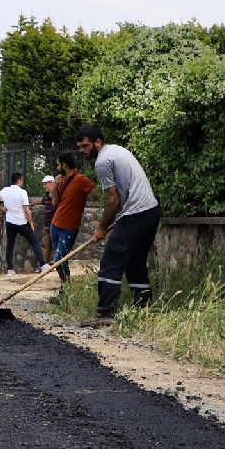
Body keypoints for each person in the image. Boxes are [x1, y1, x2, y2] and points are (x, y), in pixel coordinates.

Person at [77, 125, 162, 323]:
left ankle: (106, 313)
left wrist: (101, 227)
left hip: (137, 213)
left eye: (85, 145)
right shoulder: (117, 150)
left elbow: (113, 200)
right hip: (150, 212)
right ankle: (144, 309)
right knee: (135, 263)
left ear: (98, 142)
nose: (82, 150)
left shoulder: (103, 161)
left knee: (111, 260)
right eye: (80, 147)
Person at [49, 152, 95, 283]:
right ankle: (65, 290)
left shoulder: (81, 179)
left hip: (69, 228)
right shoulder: (62, 180)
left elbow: (97, 193)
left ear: (64, 164)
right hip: (55, 225)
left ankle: (66, 288)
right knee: (61, 261)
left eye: (58, 164)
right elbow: (54, 202)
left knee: (59, 260)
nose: (57, 167)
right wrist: (54, 187)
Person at [0, 172, 46, 275]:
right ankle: (43, 264)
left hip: (10, 222)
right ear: (19, 180)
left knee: (10, 245)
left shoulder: (5, 191)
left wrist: (2, 208)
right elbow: (27, 210)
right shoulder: (22, 192)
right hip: (22, 222)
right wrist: (31, 223)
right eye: (21, 180)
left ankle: (10, 269)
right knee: (34, 242)